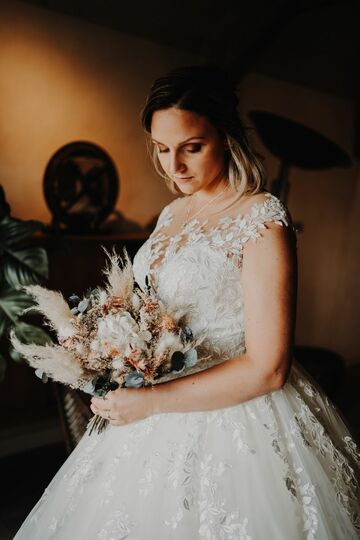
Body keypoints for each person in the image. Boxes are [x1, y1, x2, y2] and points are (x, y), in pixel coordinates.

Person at [14, 65, 360, 539]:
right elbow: (154, 313)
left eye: (191, 148)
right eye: (161, 149)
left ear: (227, 138)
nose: (173, 166)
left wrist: (152, 403)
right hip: (153, 409)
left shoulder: (262, 217)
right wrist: (112, 350)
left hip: (239, 418)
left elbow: (269, 368)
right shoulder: (173, 211)